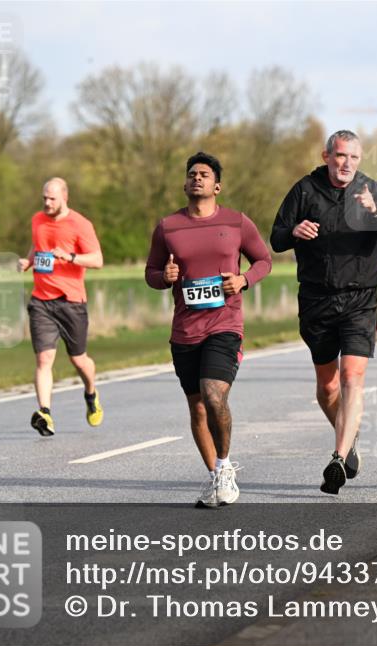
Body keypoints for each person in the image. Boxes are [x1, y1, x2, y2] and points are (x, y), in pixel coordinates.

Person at [270, 130, 377, 495]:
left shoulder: (372, 191)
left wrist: (374, 212)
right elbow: (276, 238)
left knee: (351, 378)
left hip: (360, 298)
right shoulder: (305, 190)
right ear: (326, 155)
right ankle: (349, 434)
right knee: (327, 388)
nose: (347, 164)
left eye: (354, 158)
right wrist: (294, 230)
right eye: (341, 156)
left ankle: (339, 458)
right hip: (316, 298)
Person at [145, 152, 271, 507]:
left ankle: (225, 466)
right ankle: (217, 476)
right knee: (198, 408)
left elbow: (264, 260)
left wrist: (243, 280)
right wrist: (163, 278)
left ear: (217, 185)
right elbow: (151, 272)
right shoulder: (167, 227)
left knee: (214, 394)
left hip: (225, 324)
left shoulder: (237, 223)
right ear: (185, 184)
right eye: (191, 174)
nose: (196, 178)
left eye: (203, 174)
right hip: (185, 330)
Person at [17, 178, 105, 436]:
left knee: (79, 360)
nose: (46, 202)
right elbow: (38, 246)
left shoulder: (81, 224)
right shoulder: (37, 220)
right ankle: (45, 412)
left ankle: (91, 393)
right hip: (41, 300)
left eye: (52, 198)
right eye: (44, 197)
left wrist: (71, 257)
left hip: (71, 302)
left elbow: (98, 260)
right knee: (44, 358)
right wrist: (28, 262)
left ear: (65, 197)